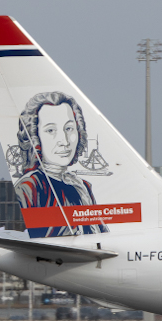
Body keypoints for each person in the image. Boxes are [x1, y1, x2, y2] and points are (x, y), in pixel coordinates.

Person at [11, 91, 108, 238]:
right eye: (51, 130)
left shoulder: (82, 186)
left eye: (69, 129)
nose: (64, 141)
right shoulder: (30, 187)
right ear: (34, 137)